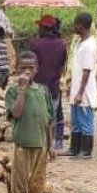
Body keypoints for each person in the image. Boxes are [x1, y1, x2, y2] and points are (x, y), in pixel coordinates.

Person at [6, 50, 55, 193]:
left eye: (30, 68)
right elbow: (16, 114)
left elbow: (49, 120)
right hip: (23, 145)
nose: (27, 72)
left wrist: (51, 145)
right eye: (22, 68)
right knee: (19, 183)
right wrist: (22, 90)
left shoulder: (43, 91)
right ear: (16, 70)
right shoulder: (12, 91)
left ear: (37, 69)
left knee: (37, 183)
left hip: (41, 145)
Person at [60, 12, 97, 159]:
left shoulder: (89, 45)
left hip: (85, 91)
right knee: (75, 121)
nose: (73, 27)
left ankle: (86, 151)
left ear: (81, 26)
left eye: (75, 24)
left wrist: (80, 92)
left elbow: (87, 71)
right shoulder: (79, 43)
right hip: (75, 89)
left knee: (86, 121)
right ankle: (74, 148)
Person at [30, 14, 68, 151]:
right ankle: (53, 144)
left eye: (39, 26)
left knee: (38, 115)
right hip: (54, 86)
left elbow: (32, 66)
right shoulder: (62, 44)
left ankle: (40, 143)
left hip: (37, 87)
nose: (38, 28)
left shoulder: (35, 44)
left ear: (44, 28)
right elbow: (62, 66)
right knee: (53, 116)